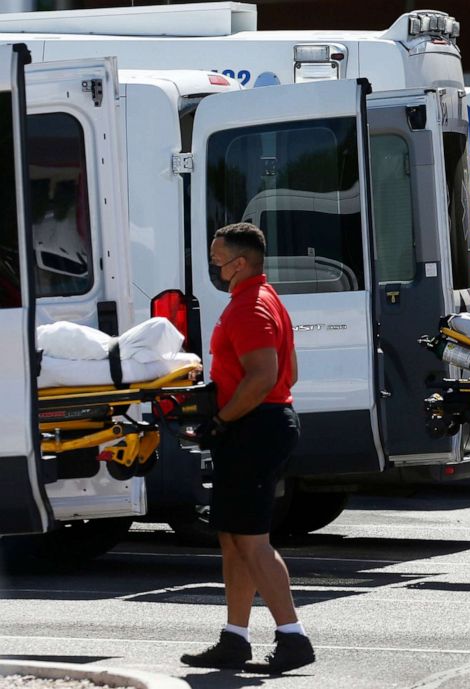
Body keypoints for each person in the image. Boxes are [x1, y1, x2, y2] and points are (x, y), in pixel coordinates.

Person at [180, 223, 315, 672]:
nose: (214, 267)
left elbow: (264, 377)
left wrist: (221, 419)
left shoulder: (250, 309)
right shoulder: (264, 299)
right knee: (234, 538)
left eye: (218, 260)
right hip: (257, 425)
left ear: (240, 263)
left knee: (253, 542)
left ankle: (293, 639)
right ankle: (235, 638)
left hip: (255, 429)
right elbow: (289, 373)